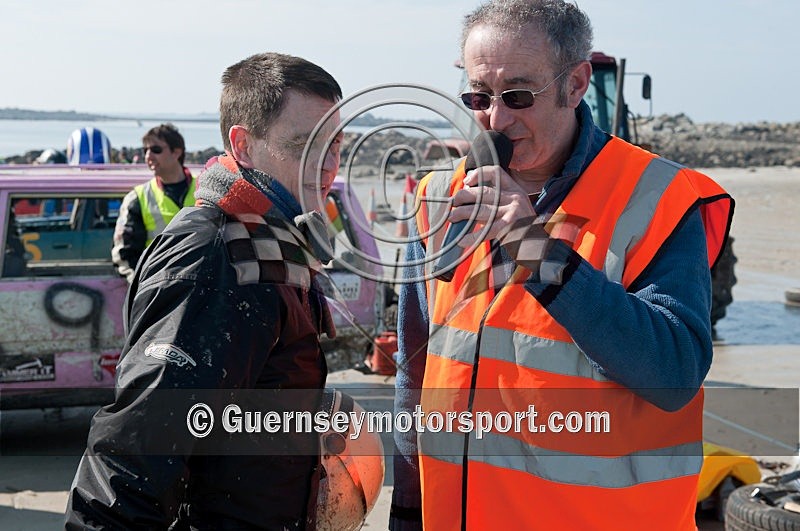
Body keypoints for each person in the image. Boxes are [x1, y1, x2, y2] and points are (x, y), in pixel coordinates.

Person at [391, 1, 734, 530]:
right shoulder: (439, 198)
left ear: (576, 85)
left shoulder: (657, 199)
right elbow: (415, 376)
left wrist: (536, 249)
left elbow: (673, 374)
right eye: (479, 97)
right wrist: (408, 511)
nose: (496, 120)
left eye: (519, 96)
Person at [65, 52, 343, 529]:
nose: (329, 164)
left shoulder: (271, 243)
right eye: (305, 145)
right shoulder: (217, 256)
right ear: (244, 145)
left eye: (337, 144)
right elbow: (131, 459)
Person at [111, 123, 197, 282]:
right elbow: (124, 254)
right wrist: (143, 287)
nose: (148, 156)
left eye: (156, 150)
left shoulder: (206, 191)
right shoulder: (137, 198)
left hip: (203, 290)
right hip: (157, 291)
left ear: (176, 152)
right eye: (145, 150)